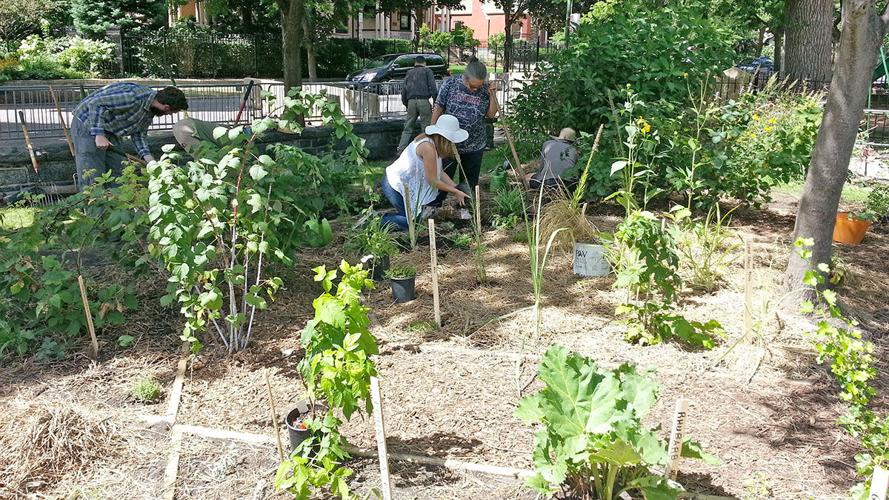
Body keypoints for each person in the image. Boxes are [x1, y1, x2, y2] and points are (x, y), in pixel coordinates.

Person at [72, 83, 188, 189]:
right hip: (87, 123)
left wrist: (149, 160)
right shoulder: (132, 97)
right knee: (92, 173)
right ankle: (96, 212)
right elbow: (96, 103)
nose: (168, 115)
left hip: (110, 128)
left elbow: (138, 133)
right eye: (171, 113)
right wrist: (98, 134)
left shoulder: (150, 109)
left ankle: (117, 210)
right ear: (166, 107)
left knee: (117, 172)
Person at [431, 58, 500, 217]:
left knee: (469, 179)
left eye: (478, 85)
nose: (475, 89)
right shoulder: (451, 84)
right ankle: (434, 206)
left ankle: (464, 209)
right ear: (465, 77)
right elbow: (438, 107)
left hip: (474, 144)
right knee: (443, 174)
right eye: (472, 85)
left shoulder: (485, 89)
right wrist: (433, 132)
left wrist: (493, 94)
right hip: (448, 143)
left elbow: (491, 114)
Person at [381, 114, 470, 231]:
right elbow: (433, 181)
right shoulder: (428, 148)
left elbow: (440, 173)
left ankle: (393, 219)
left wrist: (456, 187)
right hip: (395, 184)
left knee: (415, 219)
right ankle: (379, 221)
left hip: (404, 184)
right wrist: (454, 191)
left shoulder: (434, 144)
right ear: (445, 138)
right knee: (412, 224)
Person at [397, 55, 438, 153]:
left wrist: (406, 103)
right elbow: (433, 87)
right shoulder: (427, 71)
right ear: (424, 63)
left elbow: (404, 90)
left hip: (411, 101)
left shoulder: (409, 72)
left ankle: (401, 149)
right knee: (426, 127)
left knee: (407, 127)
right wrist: (435, 102)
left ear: (415, 63)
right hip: (423, 100)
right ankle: (426, 149)